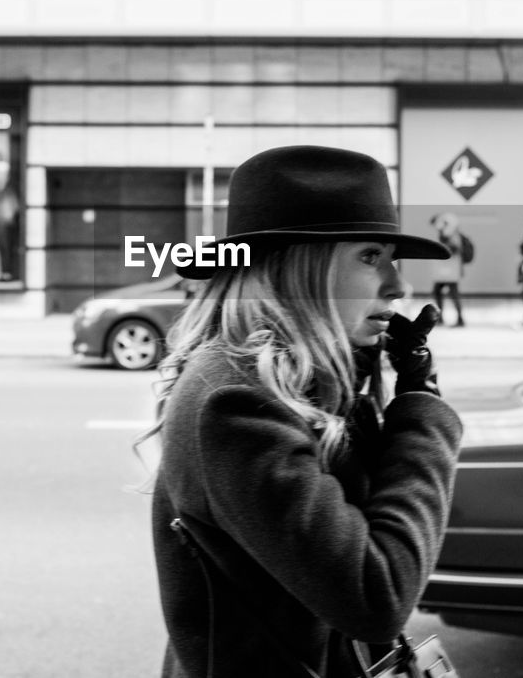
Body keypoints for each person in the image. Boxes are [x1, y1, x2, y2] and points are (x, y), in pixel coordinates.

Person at [145, 145, 464, 678]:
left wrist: (373, 381)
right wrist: (422, 408)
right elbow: (377, 594)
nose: (398, 284)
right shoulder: (233, 404)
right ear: (300, 267)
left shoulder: (303, 387)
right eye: (370, 257)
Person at [428, 211, 468, 327]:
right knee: (440, 292)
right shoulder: (446, 232)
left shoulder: (449, 233)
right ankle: (444, 318)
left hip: (449, 270)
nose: (435, 227)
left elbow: (454, 249)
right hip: (446, 270)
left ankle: (458, 319)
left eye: (435, 224)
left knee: (452, 293)